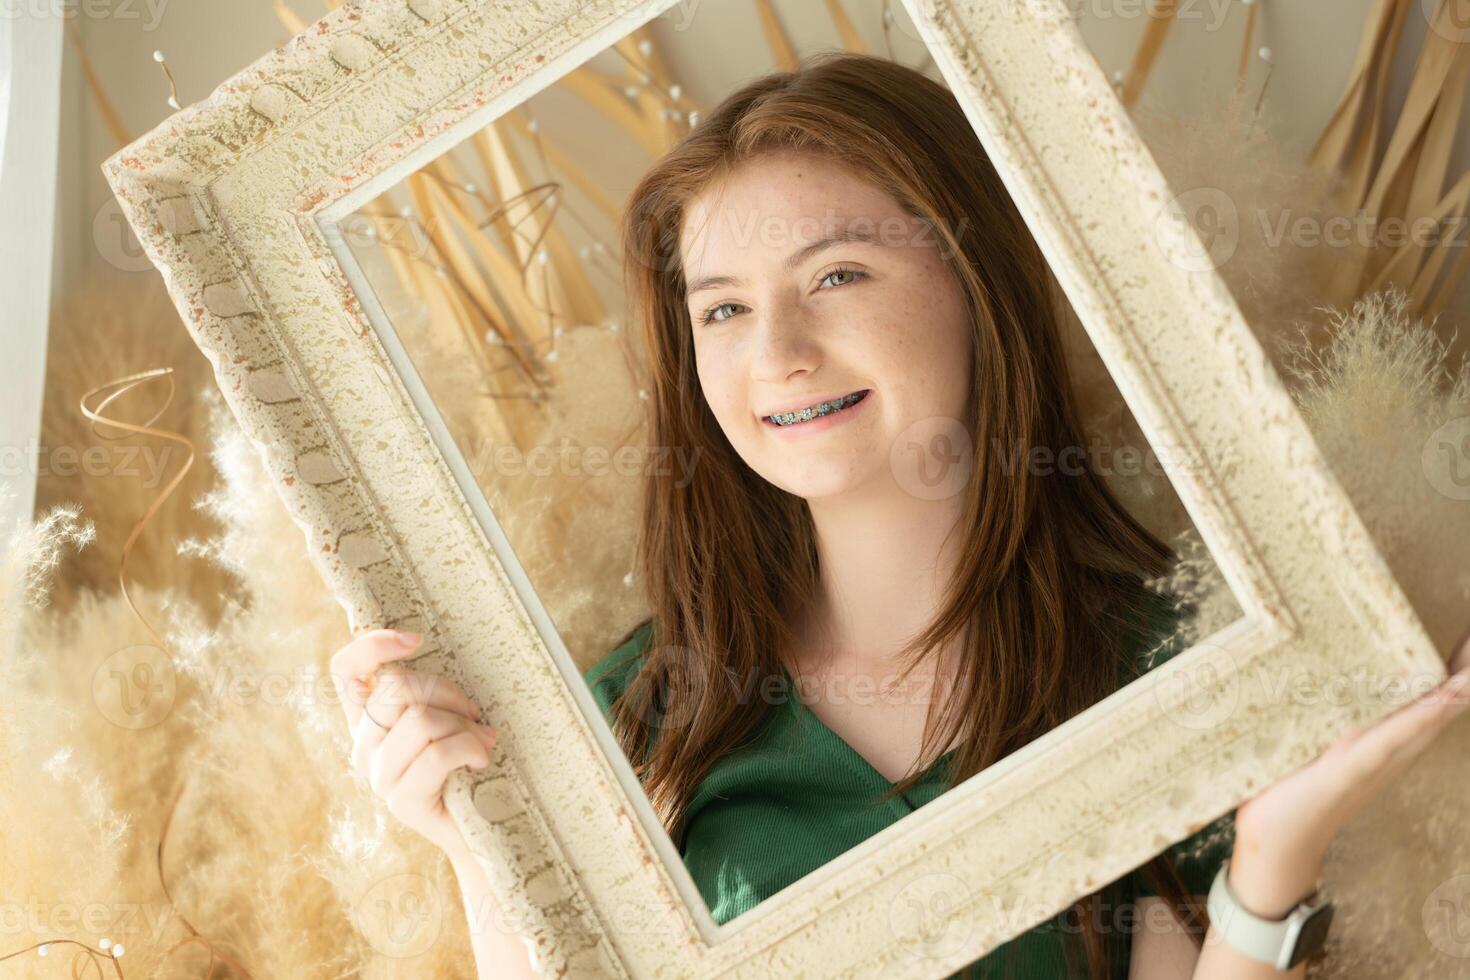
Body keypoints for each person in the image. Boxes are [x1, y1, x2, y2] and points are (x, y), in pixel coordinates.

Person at [329, 52, 1470, 979]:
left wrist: (1274, 858)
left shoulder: (1163, 663)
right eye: (721, 308)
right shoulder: (629, 718)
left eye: (838, 276)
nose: (774, 353)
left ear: (984, 287)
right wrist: (473, 836)